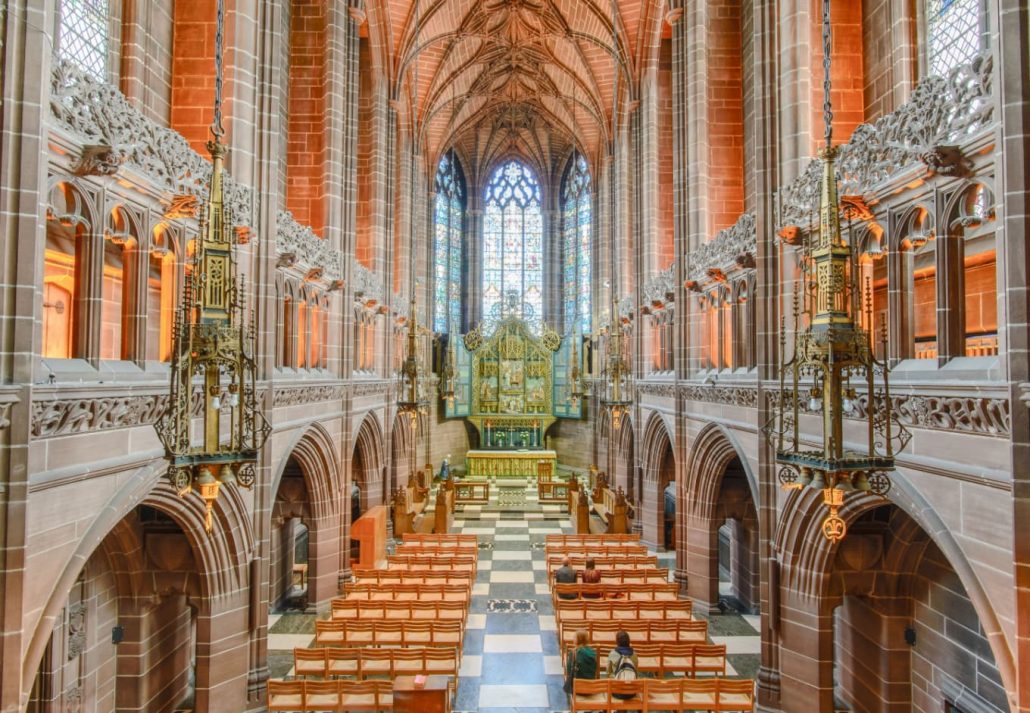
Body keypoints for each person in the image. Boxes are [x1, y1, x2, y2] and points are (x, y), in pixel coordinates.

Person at [563, 630, 598, 697]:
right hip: (591, 687)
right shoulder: (592, 652)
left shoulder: (574, 653)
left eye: (574, 637)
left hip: (578, 688)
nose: (573, 639)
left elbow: (568, 671)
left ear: (578, 640)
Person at [607, 630, 639, 700]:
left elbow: (608, 673)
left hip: (617, 690)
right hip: (631, 691)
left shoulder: (613, 653)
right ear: (628, 641)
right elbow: (636, 672)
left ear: (617, 641)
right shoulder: (634, 654)